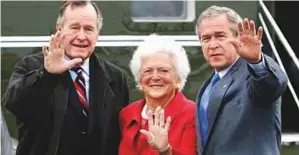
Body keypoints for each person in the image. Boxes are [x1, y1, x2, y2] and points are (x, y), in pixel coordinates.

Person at [2, 1, 129, 155]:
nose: (81, 36)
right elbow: (14, 104)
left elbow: (121, 134)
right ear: (59, 29)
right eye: (74, 28)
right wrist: (48, 74)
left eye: (89, 29)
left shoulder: (115, 77)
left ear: (98, 34)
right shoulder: (31, 66)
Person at [194, 5, 288, 155]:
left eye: (220, 36)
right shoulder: (206, 87)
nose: (212, 45)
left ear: (239, 38)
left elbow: (272, 85)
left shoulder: (253, 73)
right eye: (206, 38)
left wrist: (256, 62)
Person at [119, 34, 197, 155]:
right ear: (140, 80)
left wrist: (165, 150)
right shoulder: (127, 114)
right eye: (147, 71)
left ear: (178, 79)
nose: (155, 77)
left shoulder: (193, 114)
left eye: (164, 70)